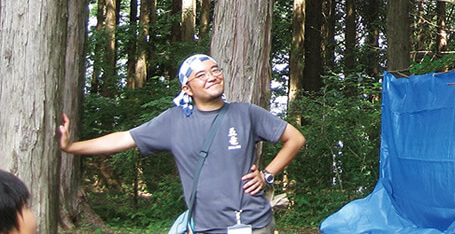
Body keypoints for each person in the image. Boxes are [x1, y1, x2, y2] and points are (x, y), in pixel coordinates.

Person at [59, 54, 306, 234]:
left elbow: (295, 138)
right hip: (205, 227)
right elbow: (124, 138)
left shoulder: (246, 113)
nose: (212, 77)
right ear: (187, 89)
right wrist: (72, 147)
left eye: (215, 70)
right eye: (201, 75)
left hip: (255, 224)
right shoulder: (173, 121)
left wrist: (267, 175)